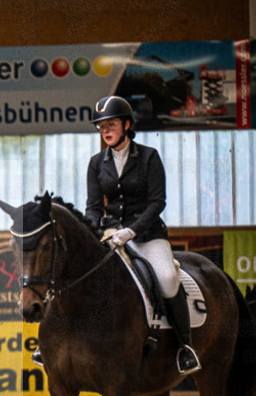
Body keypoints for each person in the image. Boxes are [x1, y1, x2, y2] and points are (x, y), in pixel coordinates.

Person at [82, 95, 200, 376]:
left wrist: (132, 231)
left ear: (125, 124)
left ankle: (185, 347)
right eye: (101, 127)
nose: (105, 131)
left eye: (110, 124)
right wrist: (94, 233)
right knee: (80, 273)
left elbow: (157, 202)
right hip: (110, 233)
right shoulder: (97, 163)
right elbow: (93, 207)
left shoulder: (148, 157)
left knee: (169, 278)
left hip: (146, 233)